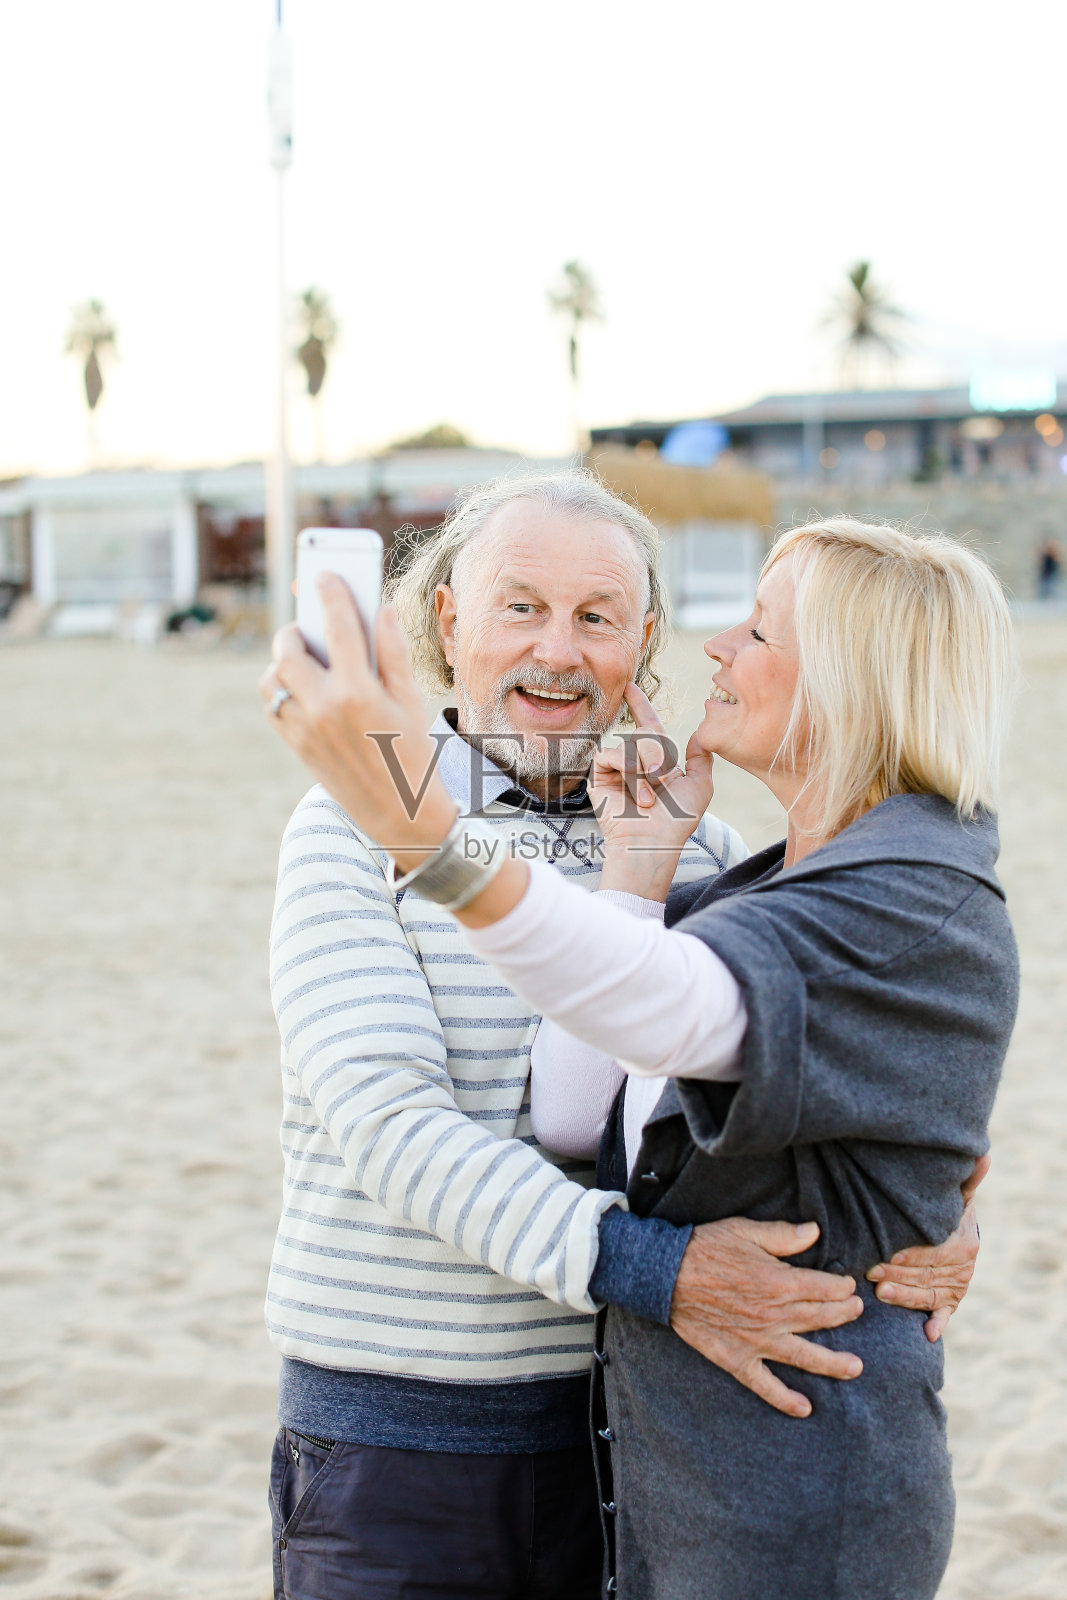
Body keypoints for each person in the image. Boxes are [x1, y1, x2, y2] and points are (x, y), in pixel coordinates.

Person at [260, 487, 989, 1600]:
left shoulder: (712, 850)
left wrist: (939, 1208)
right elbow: (389, 1128)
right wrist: (655, 1270)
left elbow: (837, 1071)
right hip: (402, 1436)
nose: (557, 651)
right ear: (448, 621)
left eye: (598, 617)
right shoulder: (356, 822)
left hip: (633, 1445)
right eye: (521, 608)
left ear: (643, 643)